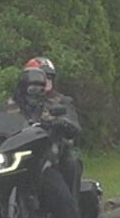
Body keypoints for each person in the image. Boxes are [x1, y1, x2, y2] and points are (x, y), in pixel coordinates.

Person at [4, 66, 92, 218]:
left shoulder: (53, 105)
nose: (33, 92)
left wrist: (63, 124)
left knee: (63, 199)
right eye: (29, 88)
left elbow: (74, 127)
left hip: (42, 165)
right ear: (21, 87)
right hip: (12, 167)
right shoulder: (10, 107)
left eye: (37, 87)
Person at [24, 56, 84, 200]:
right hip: (24, 152)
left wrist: (63, 123)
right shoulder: (16, 102)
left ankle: (71, 211)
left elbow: (75, 127)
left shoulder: (62, 101)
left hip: (54, 152)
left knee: (71, 163)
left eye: (48, 78)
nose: (45, 82)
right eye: (39, 78)